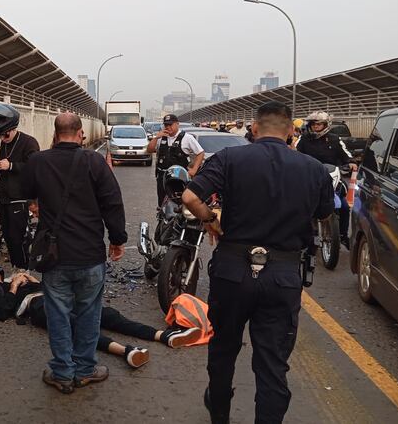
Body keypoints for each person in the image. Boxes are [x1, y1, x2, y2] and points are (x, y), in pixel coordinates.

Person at [182, 101, 335, 424]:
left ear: (253, 129)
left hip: (232, 269)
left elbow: (190, 197)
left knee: (223, 349)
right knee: (272, 364)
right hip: (282, 275)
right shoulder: (313, 168)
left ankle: (220, 414)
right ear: (291, 132)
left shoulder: (230, 158)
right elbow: (324, 214)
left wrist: (211, 219)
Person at [23, 112, 127, 394]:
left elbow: (26, 190)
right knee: (89, 312)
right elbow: (112, 203)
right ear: (80, 133)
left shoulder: (38, 161)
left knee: (57, 313)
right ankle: (85, 369)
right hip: (90, 253)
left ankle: (62, 373)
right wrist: (117, 240)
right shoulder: (94, 161)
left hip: (55, 255)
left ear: (55, 135)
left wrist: (40, 202)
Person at [0, 269, 203, 368]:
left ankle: (164, 335)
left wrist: (30, 278)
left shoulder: (21, 278)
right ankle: (127, 351)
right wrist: (13, 286)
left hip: (58, 295)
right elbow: (2, 312)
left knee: (106, 315)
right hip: (37, 305)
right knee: (77, 329)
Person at [0, 103, 39, 272]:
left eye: (5, 135)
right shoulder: (5, 143)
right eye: (0, 137)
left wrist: (10, 166)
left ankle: (24, 270)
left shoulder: (29, 142)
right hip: (3, 197)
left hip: (19, 198)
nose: (3, 139)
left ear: (14, 128)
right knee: (8, 238)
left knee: (19, 238)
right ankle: (16, 267)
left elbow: (34, 168)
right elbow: (6, 164)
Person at [296, 111, 357, 249]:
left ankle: (342, 235)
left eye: (319, 124)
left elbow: (346, 154)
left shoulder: (335, 139)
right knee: (299, 204)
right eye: (314, 124)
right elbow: (295, 155)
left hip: (332, 178)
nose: (316, 126)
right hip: (308, 179)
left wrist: (351, 161)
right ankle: (300, 236)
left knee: (345, 206)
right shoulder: (303, 139)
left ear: (326, 125)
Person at [147, 114, 205, 209]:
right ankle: (163, 221)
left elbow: (200, 153)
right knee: (162, 202)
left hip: (179, 177)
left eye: (170, 124)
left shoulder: (187, 138)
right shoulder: (161, 137)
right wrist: (156, 138)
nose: (168, 127)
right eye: (166, 125)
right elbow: (149, 150)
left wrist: (194, 170)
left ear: (177, 124)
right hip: (163, 175)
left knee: (180, 203)